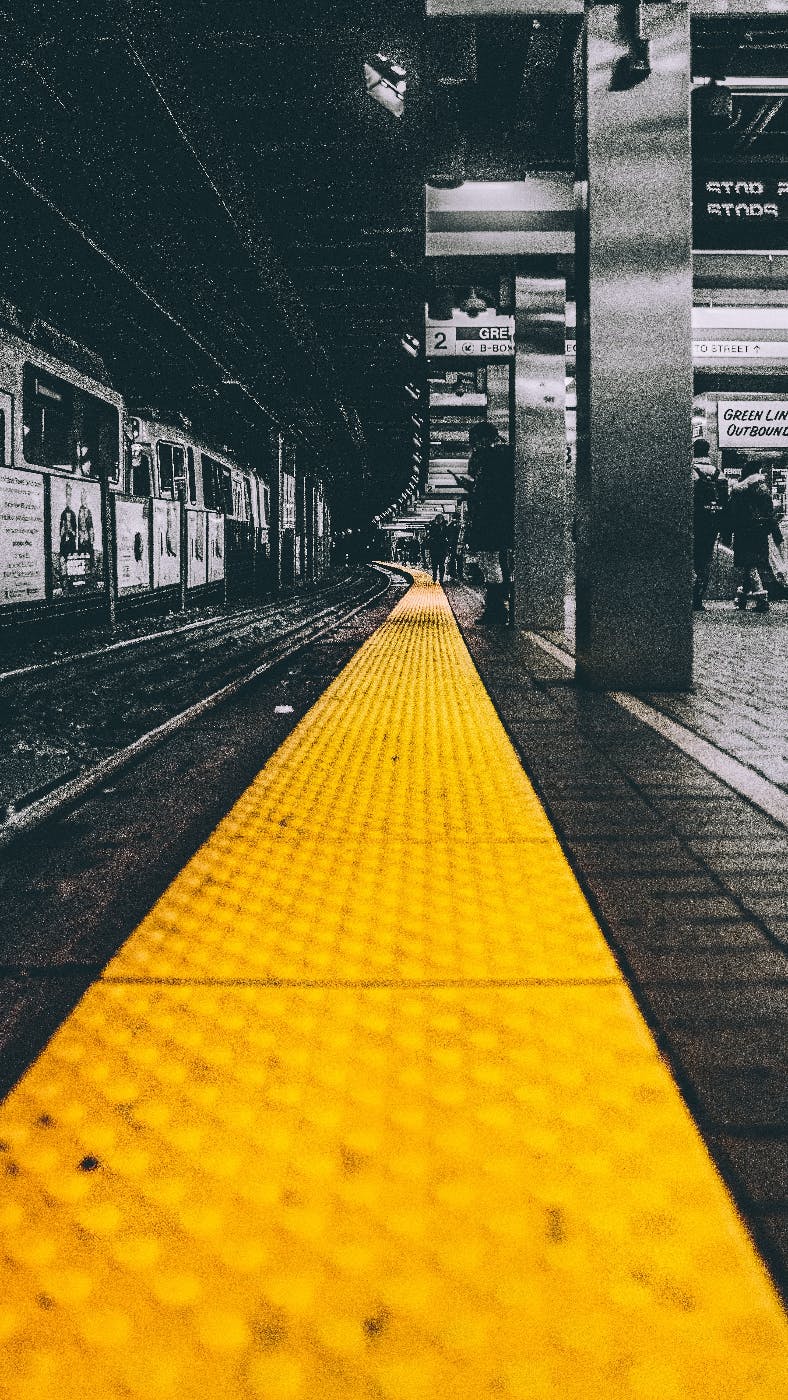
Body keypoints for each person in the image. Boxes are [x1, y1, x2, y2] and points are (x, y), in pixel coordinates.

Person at [464, 421, 514, 624]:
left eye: (474, 441)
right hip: (499, 517)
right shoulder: (504, 455)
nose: (473, 445)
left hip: (491, 519)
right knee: (497, 561)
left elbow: (486, 488)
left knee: (491, 561)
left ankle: (496, 609)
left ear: (483, 438)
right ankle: (498, 606)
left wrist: (472, 487)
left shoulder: (490, 457)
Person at [723, 462, 784, 613]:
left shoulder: (738, 491)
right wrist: (775, 533)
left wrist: (726, 534)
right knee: (751, 563)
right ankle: (742, 598)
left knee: (749, 564)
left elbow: (732, 515)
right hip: (760, 531)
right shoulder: (763, 489)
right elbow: (769, 514)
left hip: (744, 532)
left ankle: (762, 600)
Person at [692, 437, 728, 610]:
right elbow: (725, 500)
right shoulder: (717, 472)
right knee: (705, 559)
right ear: (707, 451)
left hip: (693, 521)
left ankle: (689, 593)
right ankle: (698, 597)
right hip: (711, 521)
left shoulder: (690, 471)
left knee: (689, 558)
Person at [427, 512, 449, 584]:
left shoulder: (445, 527)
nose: (439, 520)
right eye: (438, 519)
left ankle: (441, 578)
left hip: (440, 548)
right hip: (436, 548)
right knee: (435, 564)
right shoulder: (433, 526)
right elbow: (430, 535)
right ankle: (435, 576)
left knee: (440, 564)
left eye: (440, 519)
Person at [77, 488, 95, 565]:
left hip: (87, 535)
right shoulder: (80, 510)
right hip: (82, 535)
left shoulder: (88, 511)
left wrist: (90, 537)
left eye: (84, 497)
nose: (83, 499)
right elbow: (79, 524)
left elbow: (90, 526)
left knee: (89, 551)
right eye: (82, 498)